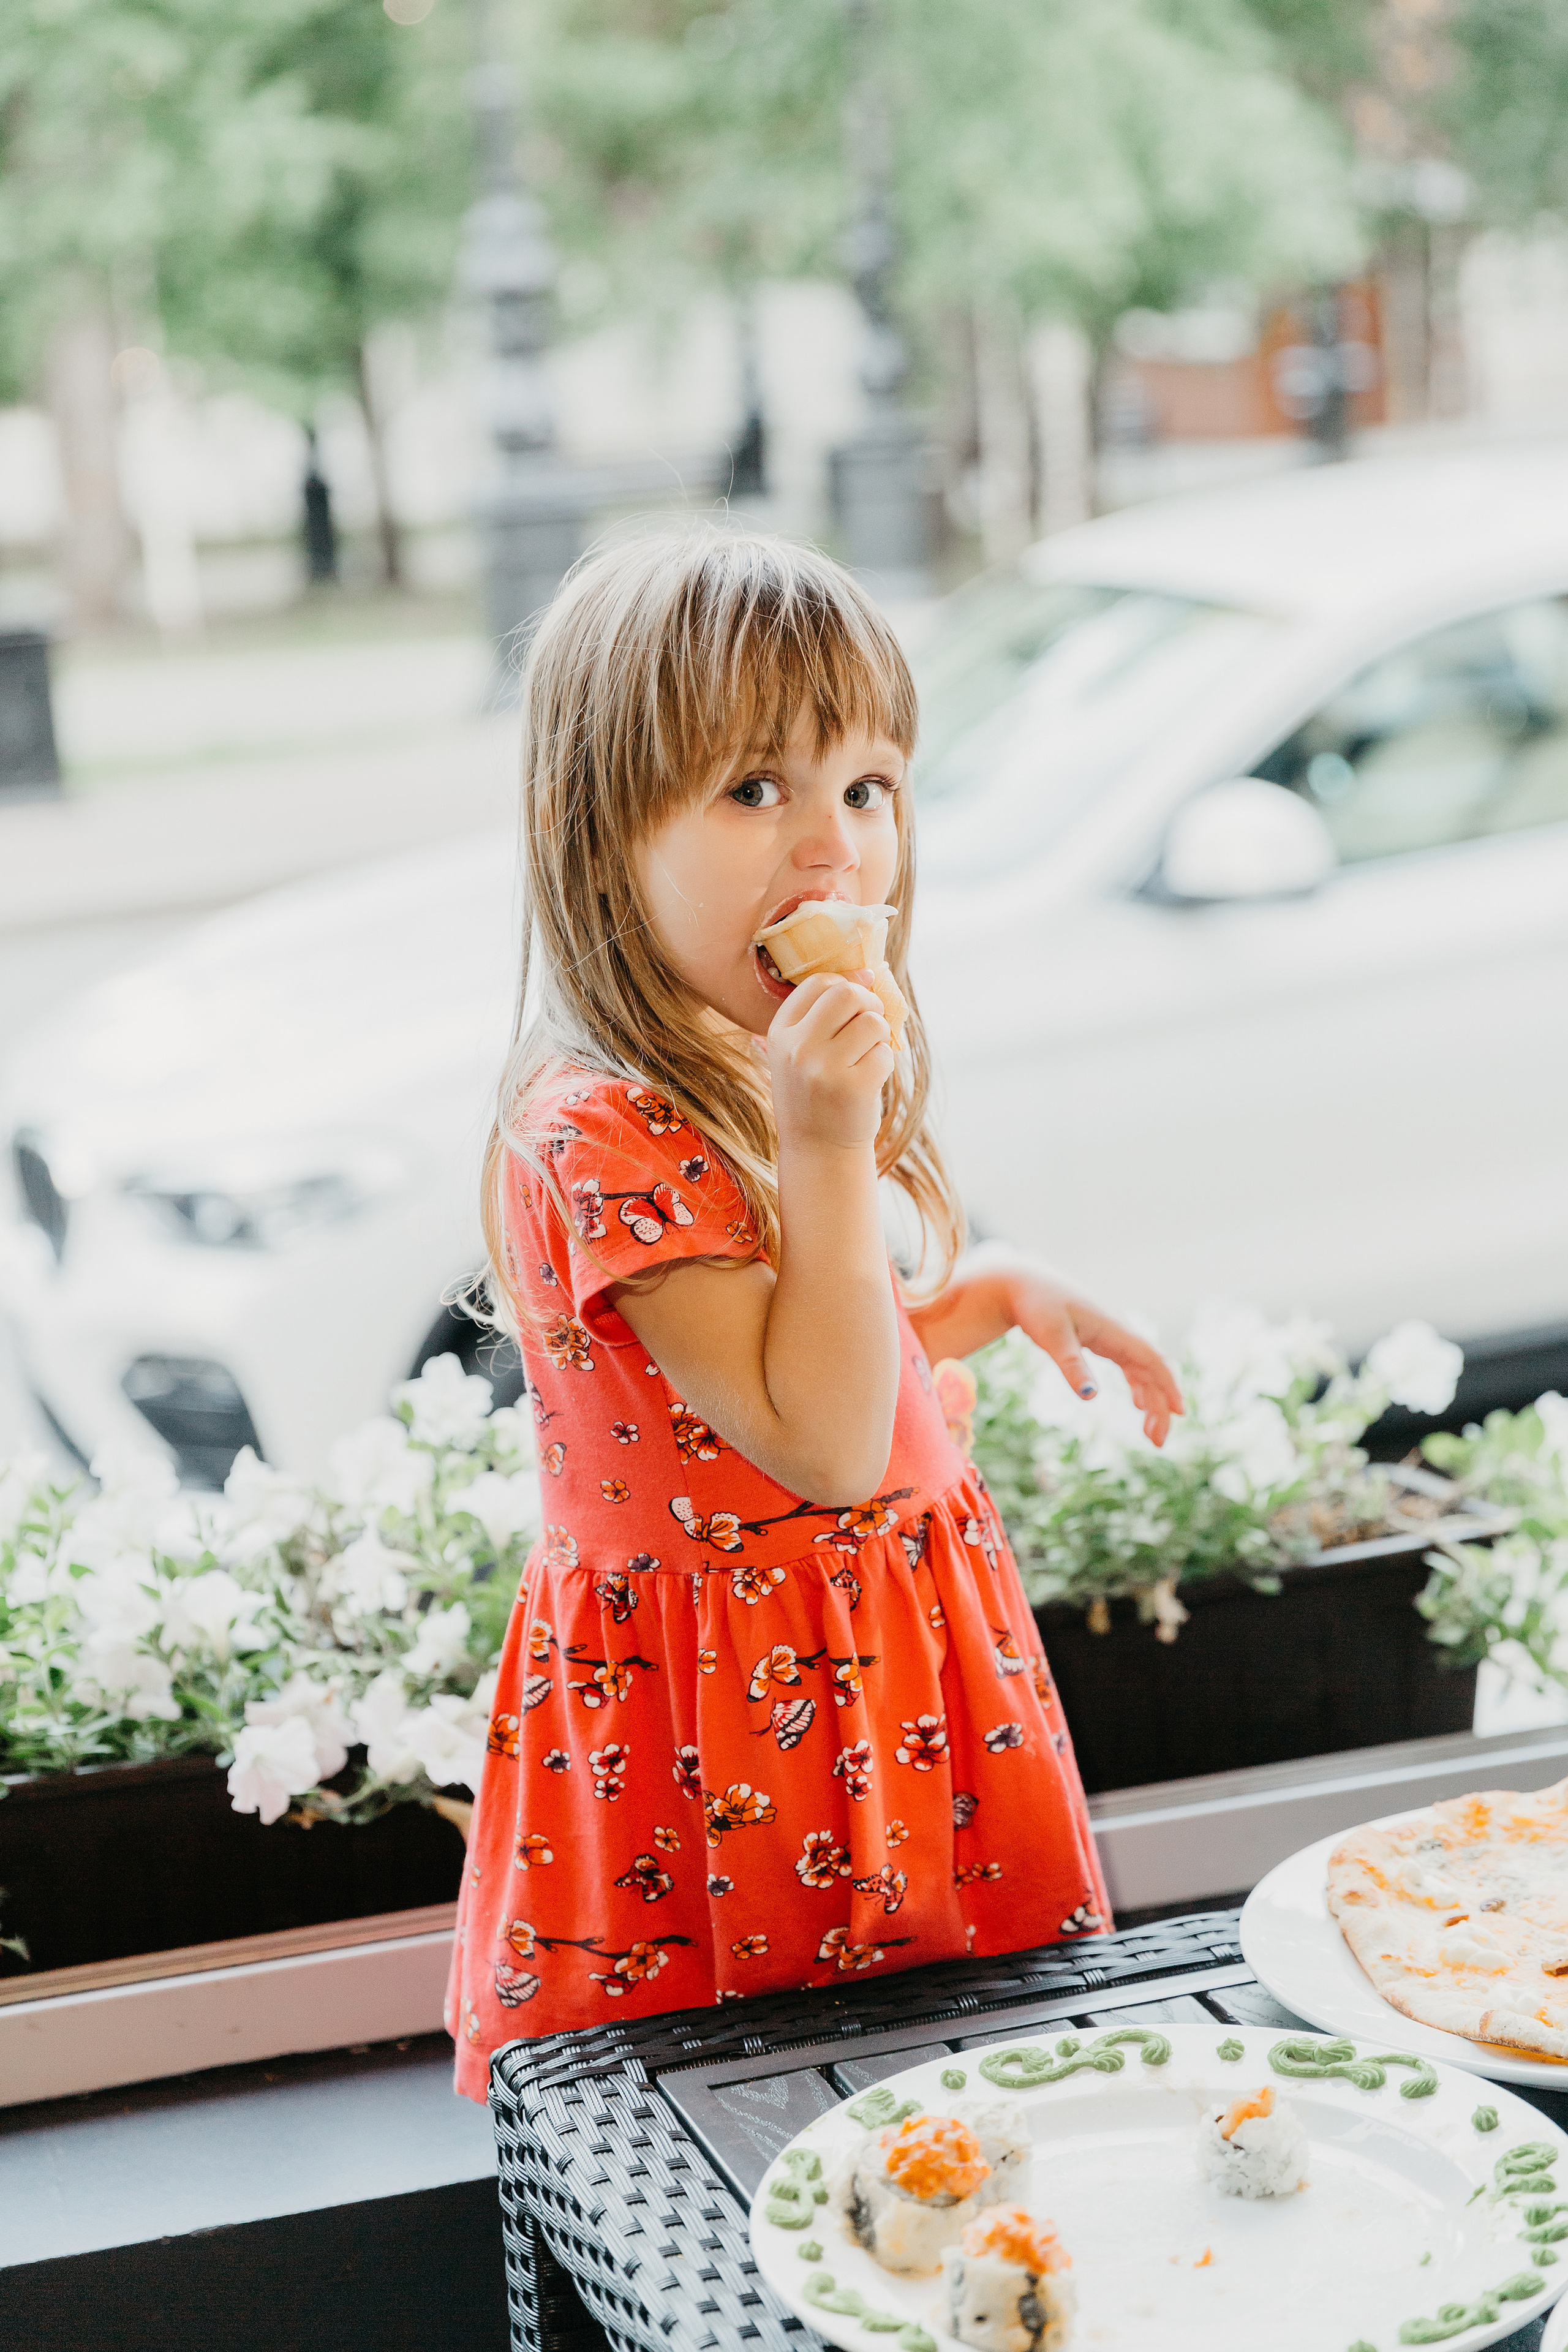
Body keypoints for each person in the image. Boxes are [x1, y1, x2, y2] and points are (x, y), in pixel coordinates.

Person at [445, 529, 1182, 2095]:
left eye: (865, 788)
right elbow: (824, 1444)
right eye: (751, 790)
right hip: (746, 1756)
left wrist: (971, 1300)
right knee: (784, 2120)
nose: (830, 849)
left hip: (882, 1694)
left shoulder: (727, 1065)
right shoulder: (599, 1131)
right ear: (596, 843)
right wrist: (827, 1141)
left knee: (965, 2091)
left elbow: (801, 1361)